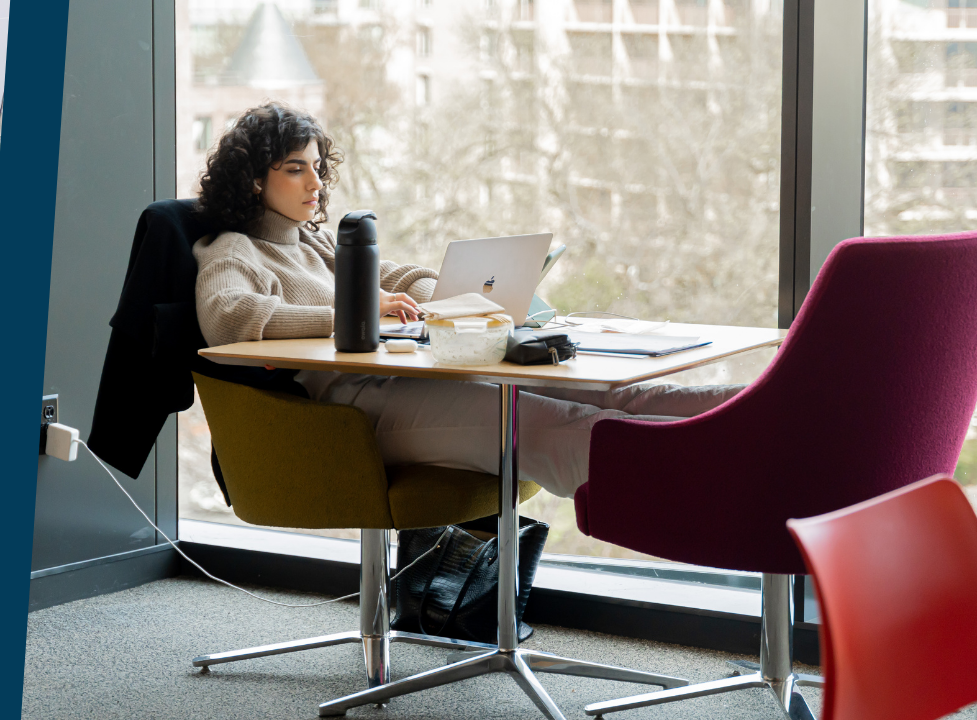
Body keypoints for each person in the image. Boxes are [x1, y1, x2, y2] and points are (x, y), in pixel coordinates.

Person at [192, 102, 740, 497]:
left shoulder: (313, 242)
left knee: (610, 396)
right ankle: (719, 478)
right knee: (546, 423)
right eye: (295, 168)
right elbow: (230, 318)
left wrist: (444, 300)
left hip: (413, 377)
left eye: (317, 166)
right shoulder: (231, 250)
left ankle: (762, 415)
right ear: (253, 181)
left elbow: (402, 276)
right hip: (348, 415)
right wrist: (354, 314)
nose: (315, 182)